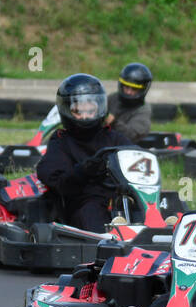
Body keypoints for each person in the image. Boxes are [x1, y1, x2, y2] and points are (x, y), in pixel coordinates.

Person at [35, 73, 126, 232]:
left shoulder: (113, 138)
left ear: (100, 108)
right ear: (67, 111)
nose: (85, 116)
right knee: (92, 210)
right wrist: (83, 171)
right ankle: (110, 246)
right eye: (79, 111)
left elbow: (139, 160)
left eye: (90, 110)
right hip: (84, 204)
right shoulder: (62, 141)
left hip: (120, 202)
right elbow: (54, 179)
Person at [107, 62, 153, 143]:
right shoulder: (113, 98)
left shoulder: (143, 110)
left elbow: (132, 135)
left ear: (142, 89)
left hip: (129, 149)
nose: (128, 92)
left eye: (134, 89)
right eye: (126, 87)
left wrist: (113, 122)